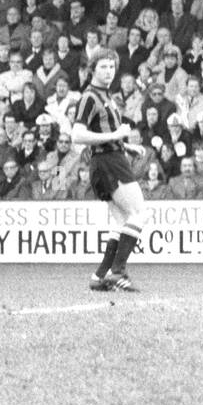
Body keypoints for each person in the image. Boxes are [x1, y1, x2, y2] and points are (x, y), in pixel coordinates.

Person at [70, 49, 147, 292]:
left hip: (108, 159)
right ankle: (118, 271)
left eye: (112, 67)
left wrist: (126, 145)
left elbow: (105, 132)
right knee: (139, 213)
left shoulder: (107, 96)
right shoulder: (90, 97)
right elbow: (76, 134)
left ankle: (100, 275)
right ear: (92, 70)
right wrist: (115, 136)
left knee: (122, 220)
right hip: (108, 162)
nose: (108, 71)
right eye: (103, 66)